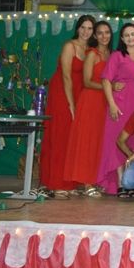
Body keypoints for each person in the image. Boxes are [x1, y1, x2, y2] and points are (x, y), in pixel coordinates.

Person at [40, 14, 95, 199]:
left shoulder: (90, 50)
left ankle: (70, 182)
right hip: (62, 94)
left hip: (80, 94)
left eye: (90, 28)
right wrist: (71, 104)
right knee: (60, 137)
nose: (86, 31)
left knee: (73, 140)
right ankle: (56, 183)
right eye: (83, 27)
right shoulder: (69, 46)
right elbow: (66, 76)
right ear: (77, 28)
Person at [97, 23, 134, 195]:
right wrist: (111, 103)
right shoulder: (117, 56)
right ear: (122, 38)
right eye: (126, 35)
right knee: (117, 140)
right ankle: (120, 182)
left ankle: (130, 179)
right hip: (120, 104)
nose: (130, 38)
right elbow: (105, 80)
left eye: (133, 34)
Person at [64, 20, 113, 196]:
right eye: (100, 33)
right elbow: (86, 81)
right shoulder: (92, 54)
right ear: (95, 36)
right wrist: (108, 88)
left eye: (107, 32)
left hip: (105, 103)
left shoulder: (112, 54)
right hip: (91, 101)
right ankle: (86, 183)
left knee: (100, 142)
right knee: (87, 141)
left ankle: (95, 179)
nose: (104, 36)